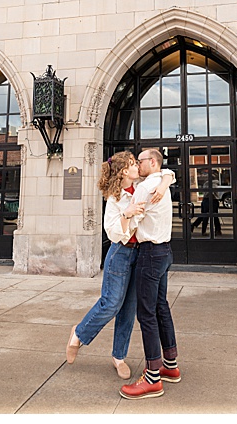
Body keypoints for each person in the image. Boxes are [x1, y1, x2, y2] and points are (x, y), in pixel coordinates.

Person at [65, 151, 173, 379]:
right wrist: (127, 213)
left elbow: (166, 171)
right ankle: (79, 334)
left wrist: (164, 182)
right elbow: (113, 232)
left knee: (128, 310)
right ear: (125, 171)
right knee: (111, 304)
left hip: (141, 255)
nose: (138, 167)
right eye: (134, 164)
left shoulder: (144, 185)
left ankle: (118, 357)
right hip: (121, 254)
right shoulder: (115, 198)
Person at [119, 148, 182, 400]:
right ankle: (170, 364)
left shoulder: (146, 188)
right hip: (164, 251)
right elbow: (169, 172)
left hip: (149, 254)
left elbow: (131, 223)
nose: (138, 164)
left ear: (152, 162)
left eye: (140, 161)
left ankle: (153, 378)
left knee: (146, 314)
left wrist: (122, 214)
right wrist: (167, 177)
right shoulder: (160, 181)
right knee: (160, 307)